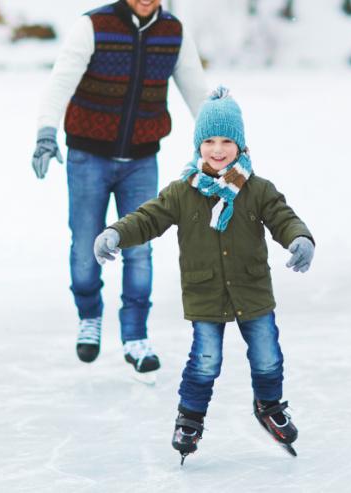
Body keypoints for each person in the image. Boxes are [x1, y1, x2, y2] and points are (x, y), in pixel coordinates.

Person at [93, 88, 315, 461]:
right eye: (209, 141)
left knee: (267, 357)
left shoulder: (257, 189)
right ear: (198, 146)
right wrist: (116, 232)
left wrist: (300, 238)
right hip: (205, 293)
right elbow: (148, 218)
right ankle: (190, 417)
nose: (217, 149)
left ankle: (270, 406)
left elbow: (283, 218)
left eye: (227, 140)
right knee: (206, 360)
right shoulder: (183, 192)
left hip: (252, 290)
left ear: (240, 146)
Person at [31, 0, 209, 379]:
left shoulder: (173, 33)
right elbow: (61, 80)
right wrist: (45, 132)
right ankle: (90, 316)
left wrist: (220, 144)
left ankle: (134, 336)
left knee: (140, 249)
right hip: (88, 156)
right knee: (85, 246)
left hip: (141, 159)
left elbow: (197, 91)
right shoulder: (92, 26)